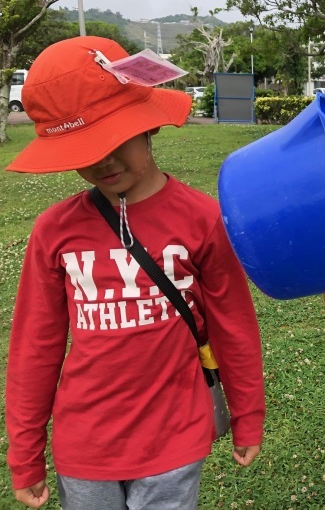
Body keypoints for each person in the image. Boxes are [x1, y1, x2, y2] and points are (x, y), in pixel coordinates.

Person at [4, 36, 266, 510]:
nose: (103, 160)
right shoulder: (53, 232)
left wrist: (248, 414)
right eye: (84, 149)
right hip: (84, 446)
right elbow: (34, 348)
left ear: (149, 126)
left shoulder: (203, 219)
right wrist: (25, 453)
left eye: (115, 139)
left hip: (174, 437)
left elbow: (234, 326)